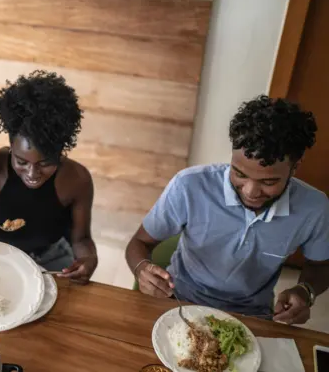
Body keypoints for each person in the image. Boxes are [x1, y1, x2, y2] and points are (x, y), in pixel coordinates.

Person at [126, 95, 329, 324]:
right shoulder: (189, 186)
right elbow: (138, 243)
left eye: (269, 182)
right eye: (239, 174)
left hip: (251, 315)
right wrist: (141, 268)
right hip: (179, 300)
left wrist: (305, 291)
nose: (251, 192)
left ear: (295, 167)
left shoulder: (315, 208)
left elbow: (321, 266)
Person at [0, 71, 98, 284]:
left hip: (50, 258)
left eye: (45, 163)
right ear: (11, 146)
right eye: (21, 162)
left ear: (61, 152)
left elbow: (81, 239)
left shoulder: (77, 180)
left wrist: (88, 259)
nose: (32, 174)